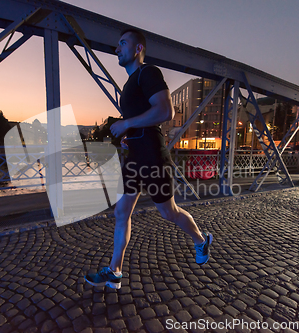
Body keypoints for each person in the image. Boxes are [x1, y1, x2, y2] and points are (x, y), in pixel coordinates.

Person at [84, 28, 212, 289]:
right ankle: (115, 271)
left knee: (168, 211)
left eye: (122, 43)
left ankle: (200, 240)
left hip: (152, 155)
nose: (116, 48)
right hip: (135, 156)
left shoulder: (148, 73)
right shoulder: (130, 83)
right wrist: (127, 132)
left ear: (138, 48)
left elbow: (166, 111)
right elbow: (144, 117)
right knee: (122, 212)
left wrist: (127, 123)